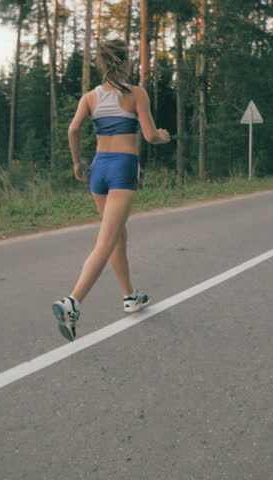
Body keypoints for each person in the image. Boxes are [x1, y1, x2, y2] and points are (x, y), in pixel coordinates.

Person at [52, 39, 171, 341]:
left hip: (99, 169)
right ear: (125, 63)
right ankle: (73, 302)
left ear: (102, 64)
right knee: (106, 242)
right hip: (122, 167)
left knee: (118, 235)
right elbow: (149, 136)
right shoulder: (136, 94)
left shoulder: (89, 97)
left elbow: (73, 129)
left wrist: (77, 162)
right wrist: (164, 136)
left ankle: (130, 296)